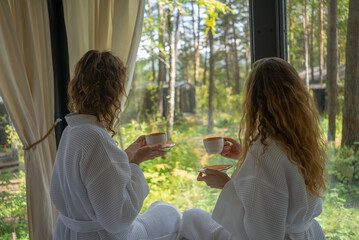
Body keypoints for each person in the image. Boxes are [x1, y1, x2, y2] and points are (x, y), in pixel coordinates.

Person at [179, 57, 327, 240]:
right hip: (309, 234)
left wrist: (225, 185)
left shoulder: (264, 153)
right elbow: (282, 178)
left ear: (255, 101)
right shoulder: (298, 140)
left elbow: (261, 229)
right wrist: (244, 155)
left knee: (191, 217)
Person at [50, 50, 181, 240]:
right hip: (102, 235)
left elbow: (87, 179)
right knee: (171, 213)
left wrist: (124, 156)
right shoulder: (95, 138)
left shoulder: (72, 131)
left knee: (158, 207)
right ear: (113, 92)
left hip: (69, 232)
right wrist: (135, 163)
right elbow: (119, 218)